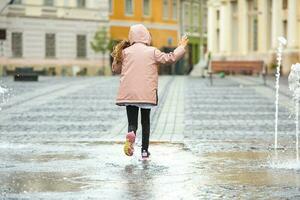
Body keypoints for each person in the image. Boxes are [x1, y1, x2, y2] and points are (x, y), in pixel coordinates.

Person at [111, 24, 188, 159]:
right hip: (146, 94)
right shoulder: (152, 51)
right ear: (146, 36)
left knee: (132, 121)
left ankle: (131, 133)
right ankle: (145, 151)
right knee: (145, 122)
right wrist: (181, 46)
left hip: (130, 94)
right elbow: (170, 58)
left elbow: (116, 69)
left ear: (131, 36)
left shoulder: (125, 52)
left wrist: (119, 54)